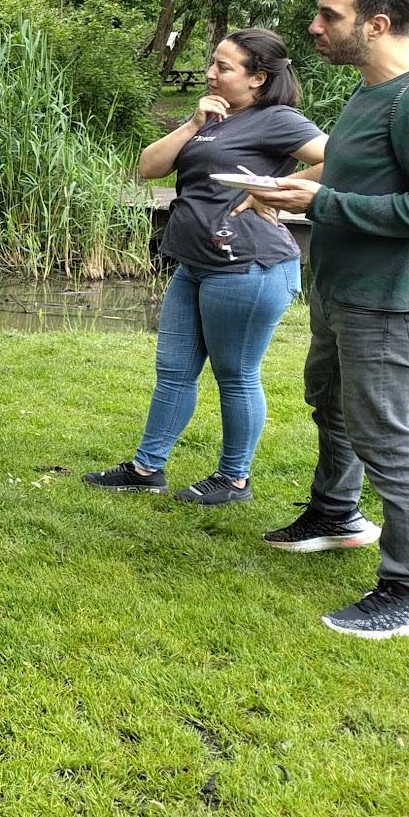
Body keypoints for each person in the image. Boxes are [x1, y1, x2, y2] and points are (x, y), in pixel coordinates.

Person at [256, 0, 409, 640]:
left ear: (379, 23)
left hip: (390, 301)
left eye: (330, 14)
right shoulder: (370, 94)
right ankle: (336, 515)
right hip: (340, 291)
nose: (315, 25)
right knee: (330, 404)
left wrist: (322, 202)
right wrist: (285, 188)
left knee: (389, 439)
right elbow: (345, 168)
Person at [84, 31, 323, 506]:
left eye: (224, 67)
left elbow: (339, 158)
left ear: (258, 78)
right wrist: (191, 123)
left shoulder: (277, 119)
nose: (211, 73)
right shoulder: (211, 116)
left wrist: (272, 190)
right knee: (173, 371)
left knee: (235, 374)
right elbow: (148, 167)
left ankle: (235, 479)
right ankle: (146, 468)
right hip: (194, 263)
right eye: (212, 63)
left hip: (248, 267)